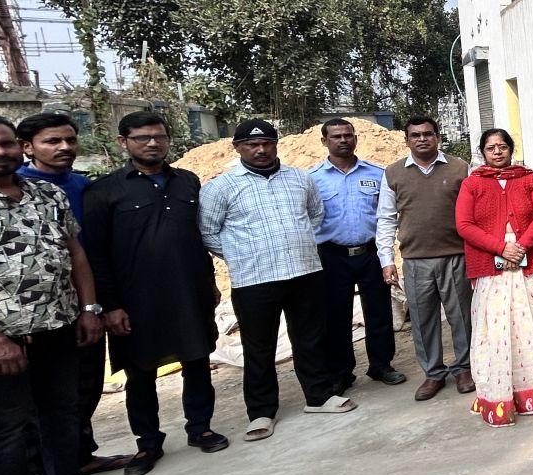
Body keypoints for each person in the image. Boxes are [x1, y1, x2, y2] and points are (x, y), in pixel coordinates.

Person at [0, 115, 132, 475]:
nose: (0, 152)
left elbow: (76, 256)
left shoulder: (46, 194)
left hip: (58, 324)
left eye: (5, 144)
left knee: (61, 411)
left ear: (18, 147)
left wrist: (89, 309)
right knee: (8, 429)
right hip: (6, 338)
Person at [83, 111, 226, 475]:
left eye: (159, 137)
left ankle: (200, 427)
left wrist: (209, 282)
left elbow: (199, 238)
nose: (152, 143)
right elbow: (96, 254)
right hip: (136, 299)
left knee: (197, 359)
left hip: (188, 289)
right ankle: (147, 442)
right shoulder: (103, 191)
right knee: (140, 371)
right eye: (142, 138)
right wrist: (111, 306)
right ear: (123, 142)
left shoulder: (188, 182)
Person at [200, 119, 355, 442]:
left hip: (304, 272)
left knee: (311, 338)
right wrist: (242, 255)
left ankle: (319, 396)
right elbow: (208, 233)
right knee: (259, 346)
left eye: (267, 143)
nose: (261, 150)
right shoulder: (220, 188)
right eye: (252, 145)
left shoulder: (299, 179)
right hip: (254, 279)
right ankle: (261, 411)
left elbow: (315, 215)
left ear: (275, 145)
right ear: (237, 148)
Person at [16, 113, 129, 475]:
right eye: (53, 141)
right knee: (39, 394)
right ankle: (38, 474)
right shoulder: (16, 188)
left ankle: (80, 455)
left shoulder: (83, 186)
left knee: (85, 382)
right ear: (27, 147)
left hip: (84, 298)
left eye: (70, 140)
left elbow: (88, 248)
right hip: (35, 309)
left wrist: (95, 304)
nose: (64, 147)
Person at [455, 128, 533, 425]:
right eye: (491, 147)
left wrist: (520, 246)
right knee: (495, 330)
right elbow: (464, 224)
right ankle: (498, 392)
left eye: (502, 146)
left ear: (511, 149)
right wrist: (501, 248)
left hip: (527, 261)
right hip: (491, 265)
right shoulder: (472, 183)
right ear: (482, 152)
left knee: (530, 325)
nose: (497, 152)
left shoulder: (528, 179)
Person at [377, 115, 473, 402]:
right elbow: (386, 219)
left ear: (437, 137)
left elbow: (474, 212)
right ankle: (433, 373)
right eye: (416, 135)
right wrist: (386, 259)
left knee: (462, 317)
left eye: (428, 134)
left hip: (455, 256)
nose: (422, 139)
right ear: (406, 140)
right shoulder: (393, 173)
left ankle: (464, 369)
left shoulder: (460, 168)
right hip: (416, 260)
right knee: (422, 320)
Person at [310, 119, 403, 393]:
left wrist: (387, 255)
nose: (343, 140)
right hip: (332, 255)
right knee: (336, 315)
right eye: (336, 136)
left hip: (370, 253)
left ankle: (381, 365)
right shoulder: (312, 179)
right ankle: (341, 373)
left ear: (355, 138)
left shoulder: (378, 174)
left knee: (379, 311)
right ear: (324, 141)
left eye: (348, 135)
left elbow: (387, 216)